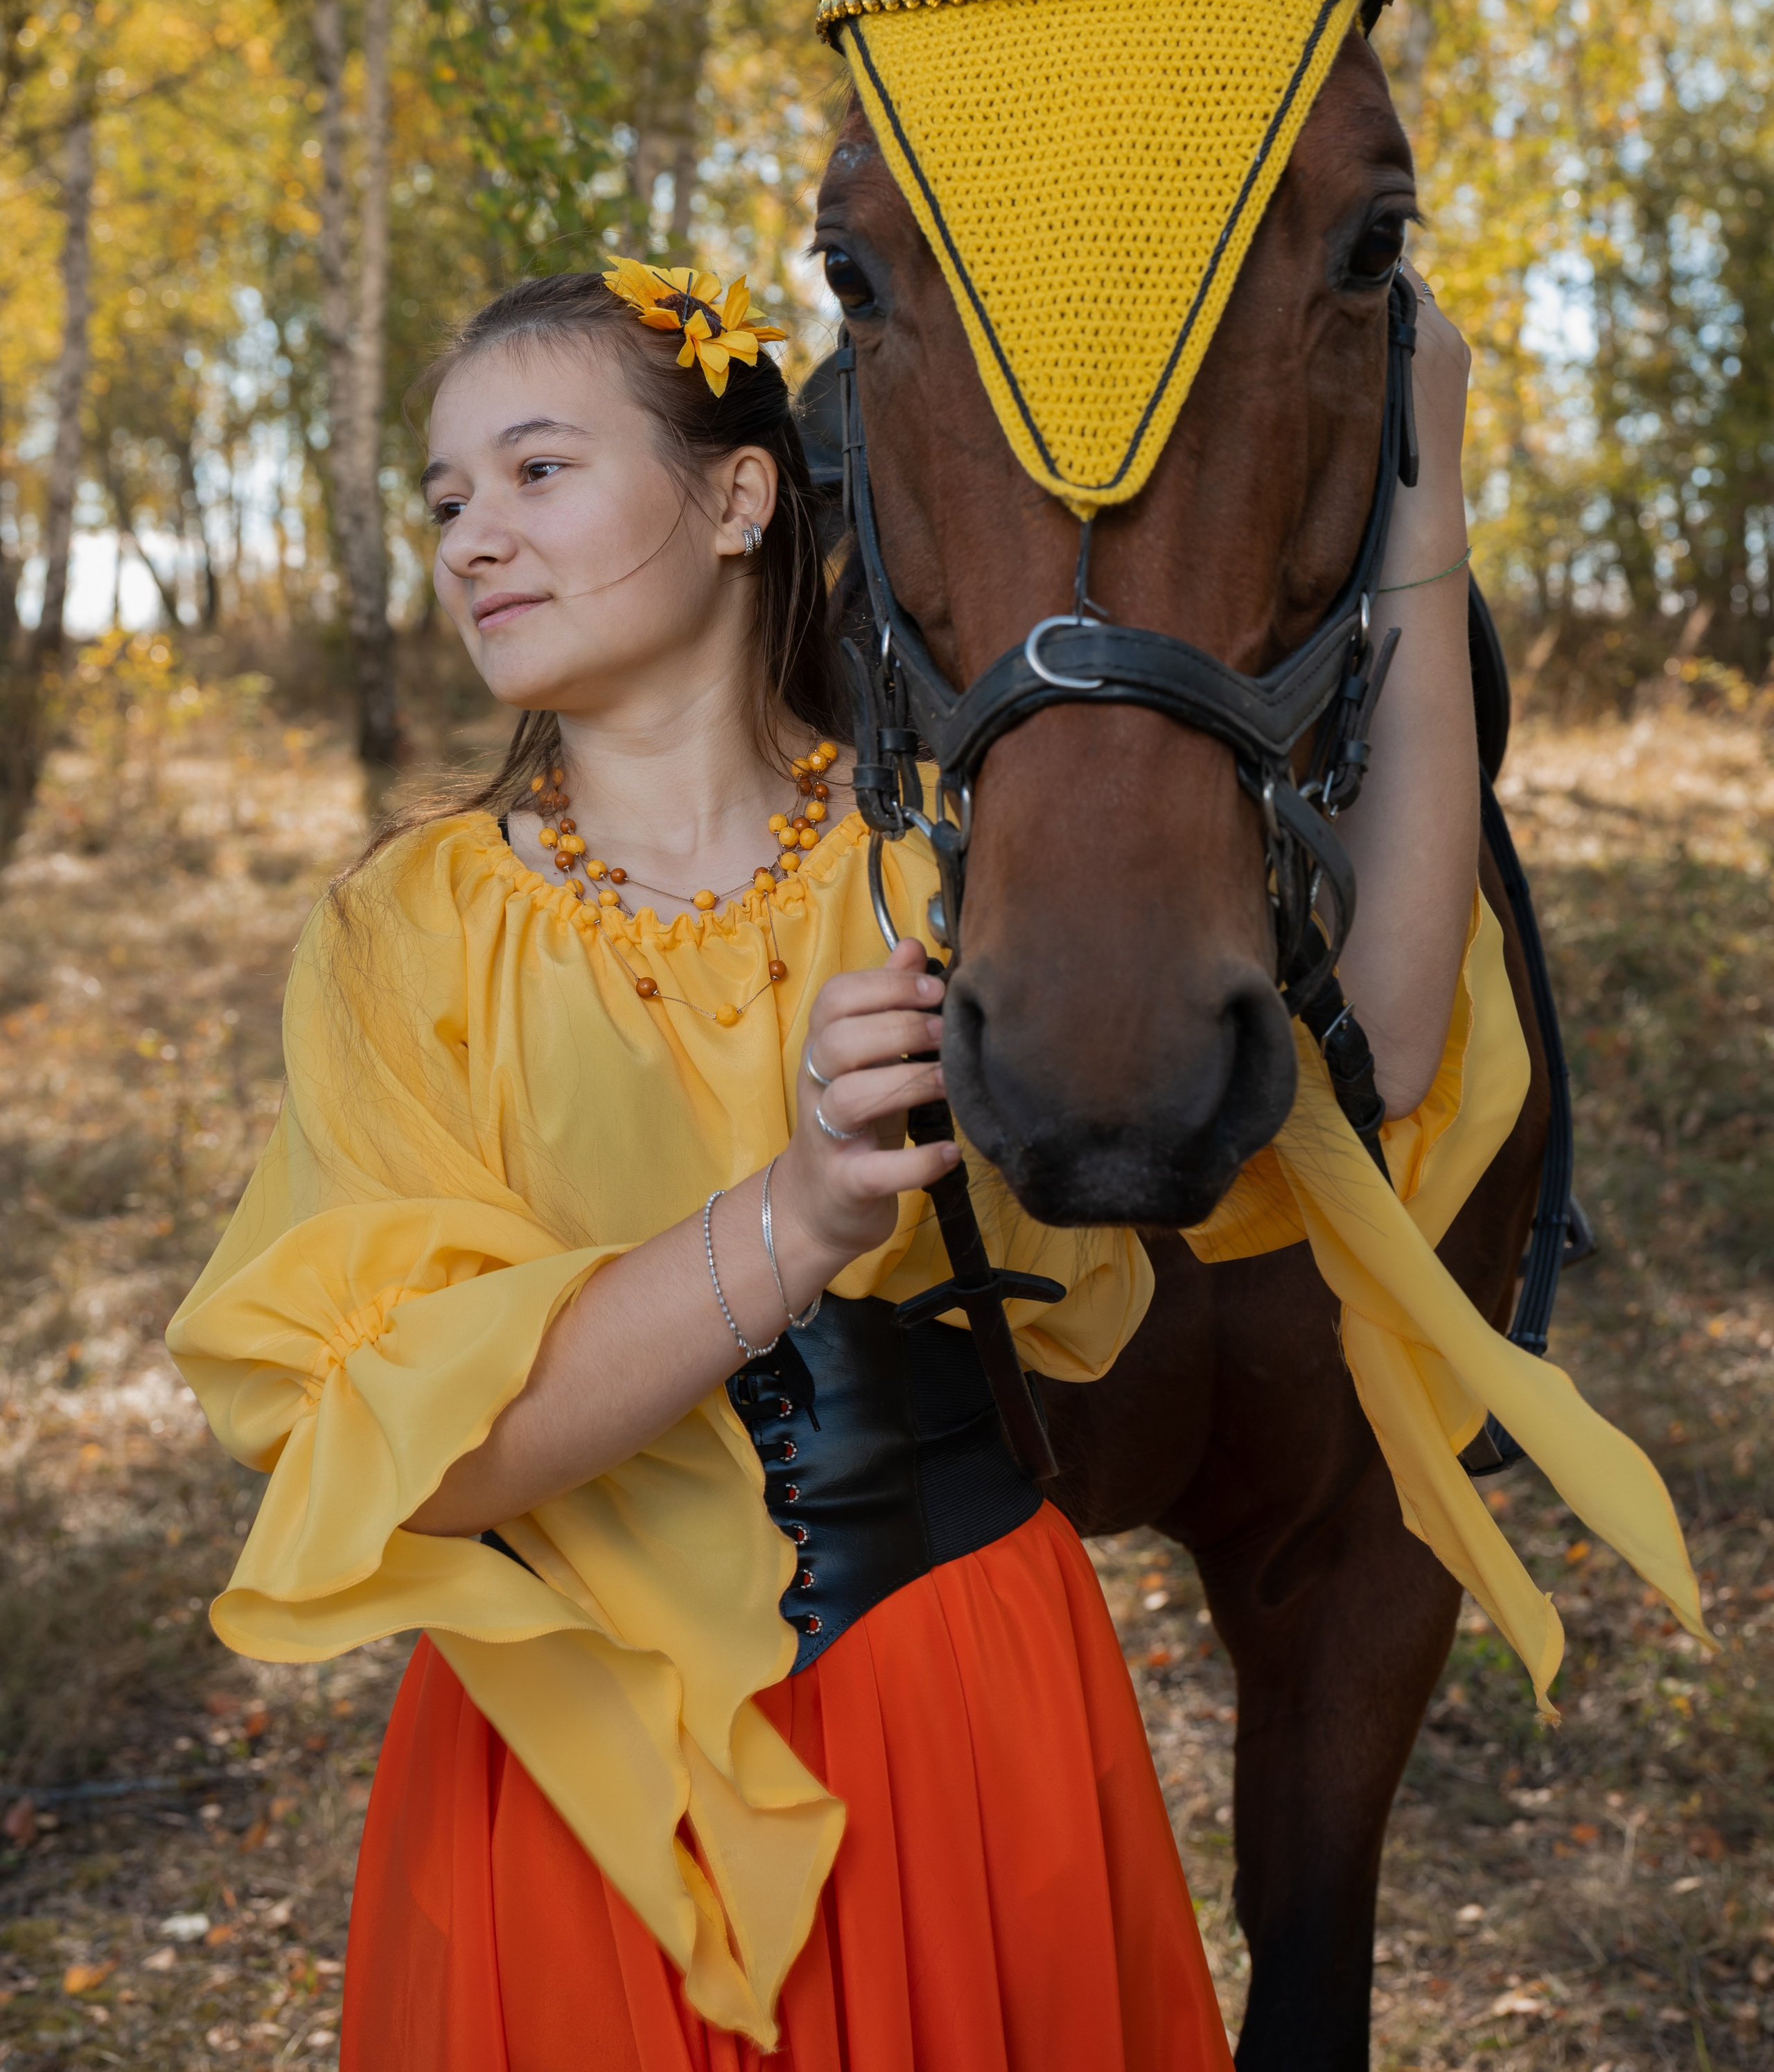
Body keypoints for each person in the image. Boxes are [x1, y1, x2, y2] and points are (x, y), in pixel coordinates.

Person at [168, 247, 1479, 2070]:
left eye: (540, 472)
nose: (473, 536)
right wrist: (789, 1221)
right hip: (572, 1784)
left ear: (737, 494)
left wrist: (1433, 483)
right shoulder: (401, 935)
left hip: (964, 1728)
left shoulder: (944, 880)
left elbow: (1392, 1054)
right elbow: (415, 1464)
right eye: (448, 496)